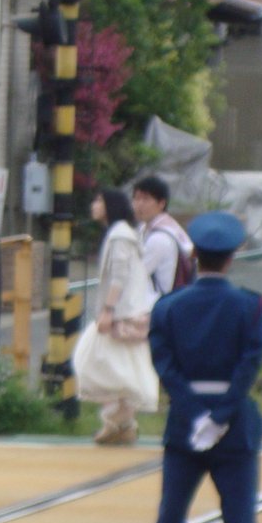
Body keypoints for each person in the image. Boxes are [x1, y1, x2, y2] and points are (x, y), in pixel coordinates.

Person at [147, 210, 262, 523]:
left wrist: (196, 414)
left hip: (184, 427)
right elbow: (248, 367)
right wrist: (220, 415)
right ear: (232, 257)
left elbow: (165, 367)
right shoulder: (252, 306)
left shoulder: (168, 308)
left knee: (171, 518)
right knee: (238, 520)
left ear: (194, 254)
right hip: (235, 430)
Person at [76, 188, 159, 445]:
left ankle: (118, 422)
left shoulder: (120, 236)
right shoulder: (121, 233)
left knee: (101, 364)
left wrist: (108, 310)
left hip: (122, 314)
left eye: (98, 200)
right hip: (126, 313)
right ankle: (120, 423)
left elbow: (119, 276)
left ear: (110, 205)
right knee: (119, 367)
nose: (94, 205)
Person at [132, 175, 192, 297]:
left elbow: (134, 275)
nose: (139, 204)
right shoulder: (146, 228)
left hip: (160, 302)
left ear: (161, 203)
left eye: (146, 199)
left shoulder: (160, 237)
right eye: (136, 198)